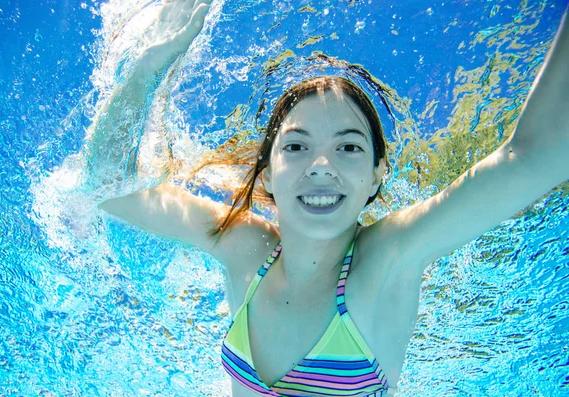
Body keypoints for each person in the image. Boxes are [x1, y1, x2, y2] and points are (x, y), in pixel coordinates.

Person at [87, 1, 569, 395]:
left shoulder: (385, 260)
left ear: (378, 174)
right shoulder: (246, 248)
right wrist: (150, 66)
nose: (321, 165)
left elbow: (535, 156)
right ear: (270, 174)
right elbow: (109, 187)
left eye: (348, 147)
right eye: (297, 146)